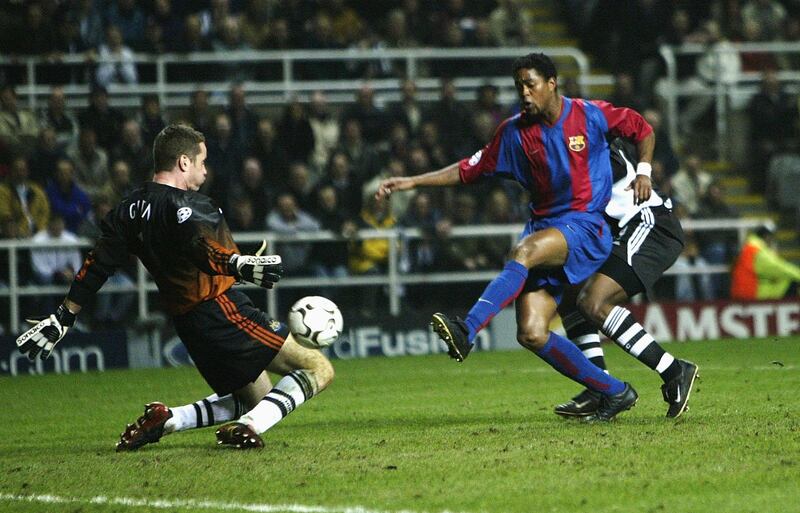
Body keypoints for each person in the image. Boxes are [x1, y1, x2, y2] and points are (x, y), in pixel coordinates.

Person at [16, 124, 334, 450]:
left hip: (188, 323)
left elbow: (96, 266)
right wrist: (236, 265)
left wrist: (64, 315)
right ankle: (249, 426)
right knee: (318, 367)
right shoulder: (188, 204)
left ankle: (168, 419)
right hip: (220, 309)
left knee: (258, 396)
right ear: (183, 162)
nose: (205, 170)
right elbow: (198, 246)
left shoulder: (127, 209)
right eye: (202, 162)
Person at [376, 53, 654, 421]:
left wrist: (644, 171)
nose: (524, 93)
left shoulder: (589, 114)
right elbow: (467, 170)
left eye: (530, 84)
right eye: (519, 86)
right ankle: (615, 391)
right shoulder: (513, 132)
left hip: (587, 226)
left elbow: (641, 128)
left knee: (521, 253)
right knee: (532, 332)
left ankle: (467, 328)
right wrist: (412, 181)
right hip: (545, 230)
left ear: (552, 83)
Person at [554, 138, 698, 419]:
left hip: (649, 224)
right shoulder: (573, 144)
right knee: (570, 295)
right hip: (622, 231)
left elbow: (626, 151)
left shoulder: (589, 145)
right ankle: (599, 388)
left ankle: (674, 370)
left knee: (594, 303)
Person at [731, 225, 800, 300]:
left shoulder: (750, 247)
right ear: (767, 237)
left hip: (744, 289)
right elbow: (778, 268)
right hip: (751, 292)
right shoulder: (756, 251)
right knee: (792, 281)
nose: (772, 241)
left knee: (784, 280)